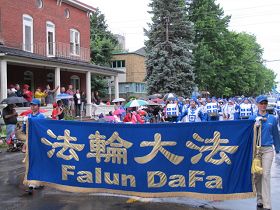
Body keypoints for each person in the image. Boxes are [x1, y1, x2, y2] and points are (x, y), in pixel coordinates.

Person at [250, 95, 280, 210]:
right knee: (257, 176)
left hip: (268, 149)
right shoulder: (252, 118)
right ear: (257, 104)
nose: (263, 105)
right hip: (256, 151)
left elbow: (276, 134)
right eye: (261, 103)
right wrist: (254, 127)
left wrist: (278, 148)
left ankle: (267, 205)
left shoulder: (272, 118)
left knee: (266, 175)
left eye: (265, 103)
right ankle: (260, 199)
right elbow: (248, 135)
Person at [22, 98, 46, 194]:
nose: (32, 106)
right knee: (31, 161)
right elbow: (25, 131)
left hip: (39, 143)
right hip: (31, 142)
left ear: (38, 106)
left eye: (34, 105)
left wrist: (30, 120)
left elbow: (43, 128)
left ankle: (40, 181)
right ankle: (32, 183)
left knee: (39, 161)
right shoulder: (28, 116)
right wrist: (25, 123)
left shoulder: (41, 116)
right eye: (31, 105)